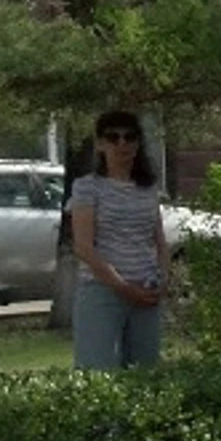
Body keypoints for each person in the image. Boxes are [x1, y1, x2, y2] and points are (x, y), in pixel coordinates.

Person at [67, 109, 167, 370]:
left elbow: (159, 241)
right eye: (113, 137)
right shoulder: (87, 187)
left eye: (130, 137)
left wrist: (163, 279)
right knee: (97, 372)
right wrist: (122, 286)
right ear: (100, 144)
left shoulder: (148, 188)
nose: (122, 144)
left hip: (146, 289)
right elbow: (83, 247)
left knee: (145, 373)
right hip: (102, 290)